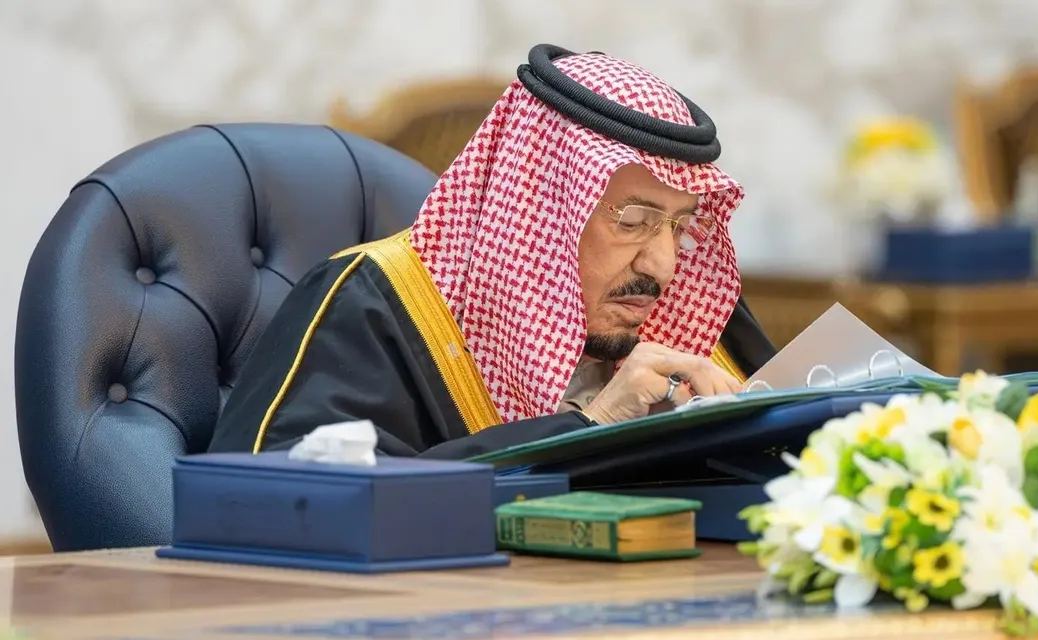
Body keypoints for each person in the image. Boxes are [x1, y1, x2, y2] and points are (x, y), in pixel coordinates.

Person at [208, 45, 776, 460]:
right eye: (633, 221)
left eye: (680, 226)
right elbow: (279, 505)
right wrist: (593, 427)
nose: (663, 266)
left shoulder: (687, 322)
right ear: (541, 207)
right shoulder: (369, 309)